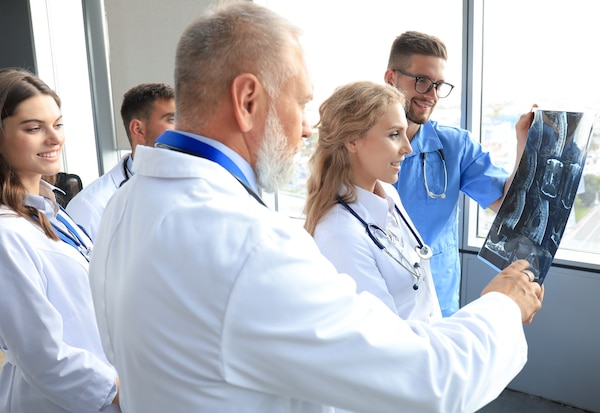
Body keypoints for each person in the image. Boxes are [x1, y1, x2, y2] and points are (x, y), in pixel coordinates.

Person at [88, 2, 544, 413]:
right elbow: (427, 381)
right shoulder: (251, 246)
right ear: (248, 100)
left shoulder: (125, 203)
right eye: (302, 103)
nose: (308, 128)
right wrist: (501, 306)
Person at [384, 31, 535, 316]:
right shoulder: (360, 145)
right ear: (390, 78)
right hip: (380, 299)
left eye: (438, 85)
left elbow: (507, 206)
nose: (431, 95)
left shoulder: (455, 146)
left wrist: (523, 146)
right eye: (422, 81)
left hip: (439, 302)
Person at [0, 68, 120, 412]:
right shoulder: (7, 235)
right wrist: (121, 391)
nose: (54, 138)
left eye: (58, 124)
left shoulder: (51, 208)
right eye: (34, 128)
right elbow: (43, 357)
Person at [304, 81, 441, 326]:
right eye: (394, 135)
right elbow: (386, 337)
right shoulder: (339, 233)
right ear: (352, 140)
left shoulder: (389, 195)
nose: (407, 148)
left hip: (431, 347)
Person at [66, 82, 175, 240]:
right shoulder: (90, 207)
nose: (183, 128)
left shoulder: (201, 185)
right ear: (138, 129)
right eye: (171, 119)